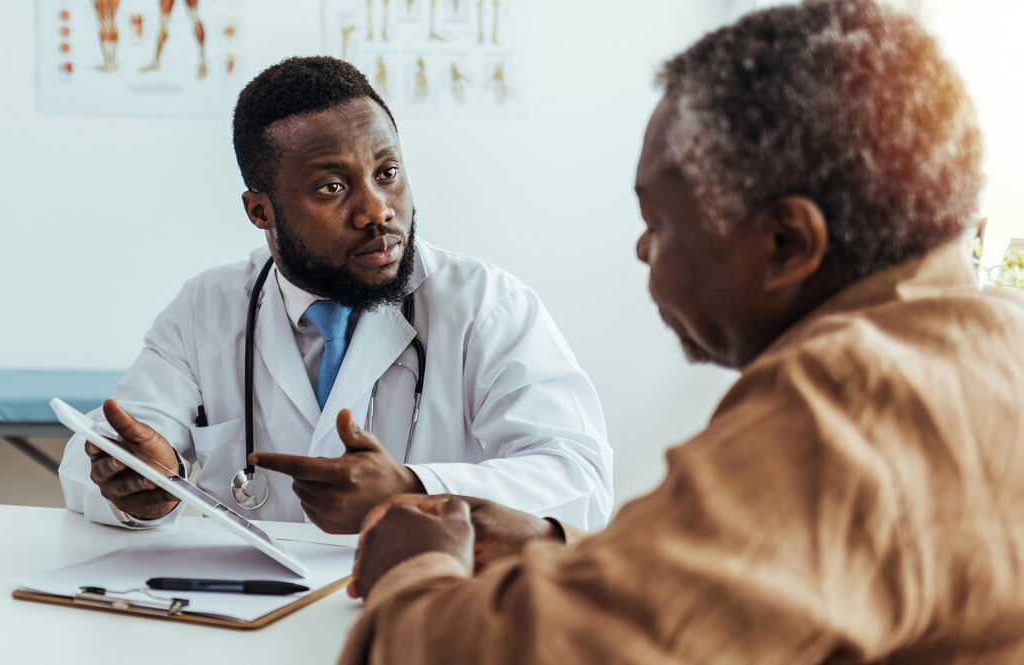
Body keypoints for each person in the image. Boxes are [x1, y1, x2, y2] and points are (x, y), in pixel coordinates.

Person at [342, 1, 1024, 662]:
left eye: (660, 223)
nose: (643, 249)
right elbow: (773, 586)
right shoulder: (994, 336)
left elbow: (534, 653)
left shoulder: (845, 399)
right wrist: (557, 545)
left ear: (785, 243)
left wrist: (415, 568)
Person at [58, 56, 613, 534]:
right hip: (254, 621)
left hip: (422, 613)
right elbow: (100, 459)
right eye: (333, 187)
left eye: (387, 172)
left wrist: (414, 488)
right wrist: (141, 487)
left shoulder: (488, 306)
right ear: (260, 211)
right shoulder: (208, 307)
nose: (377, 211)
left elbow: (579, 479)